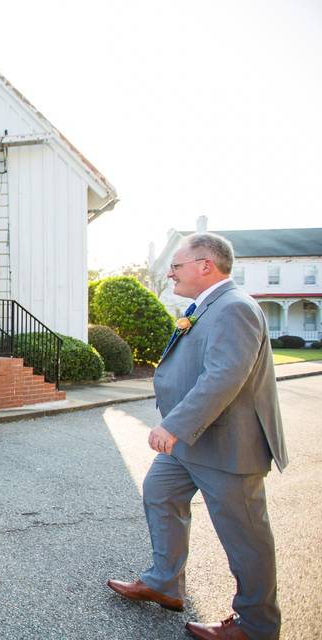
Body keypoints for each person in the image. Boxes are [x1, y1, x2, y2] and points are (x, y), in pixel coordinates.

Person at [108, 232, 288, 640]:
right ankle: (164, 582)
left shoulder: (234, 308)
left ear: (205, 265)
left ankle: (257, 625)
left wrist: (174, 425)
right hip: (193, 443)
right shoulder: (208, 307)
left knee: (245, 537)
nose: (170, 273)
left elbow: (224, 376)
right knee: (159, 491)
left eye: (176, 266)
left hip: (227, 445)